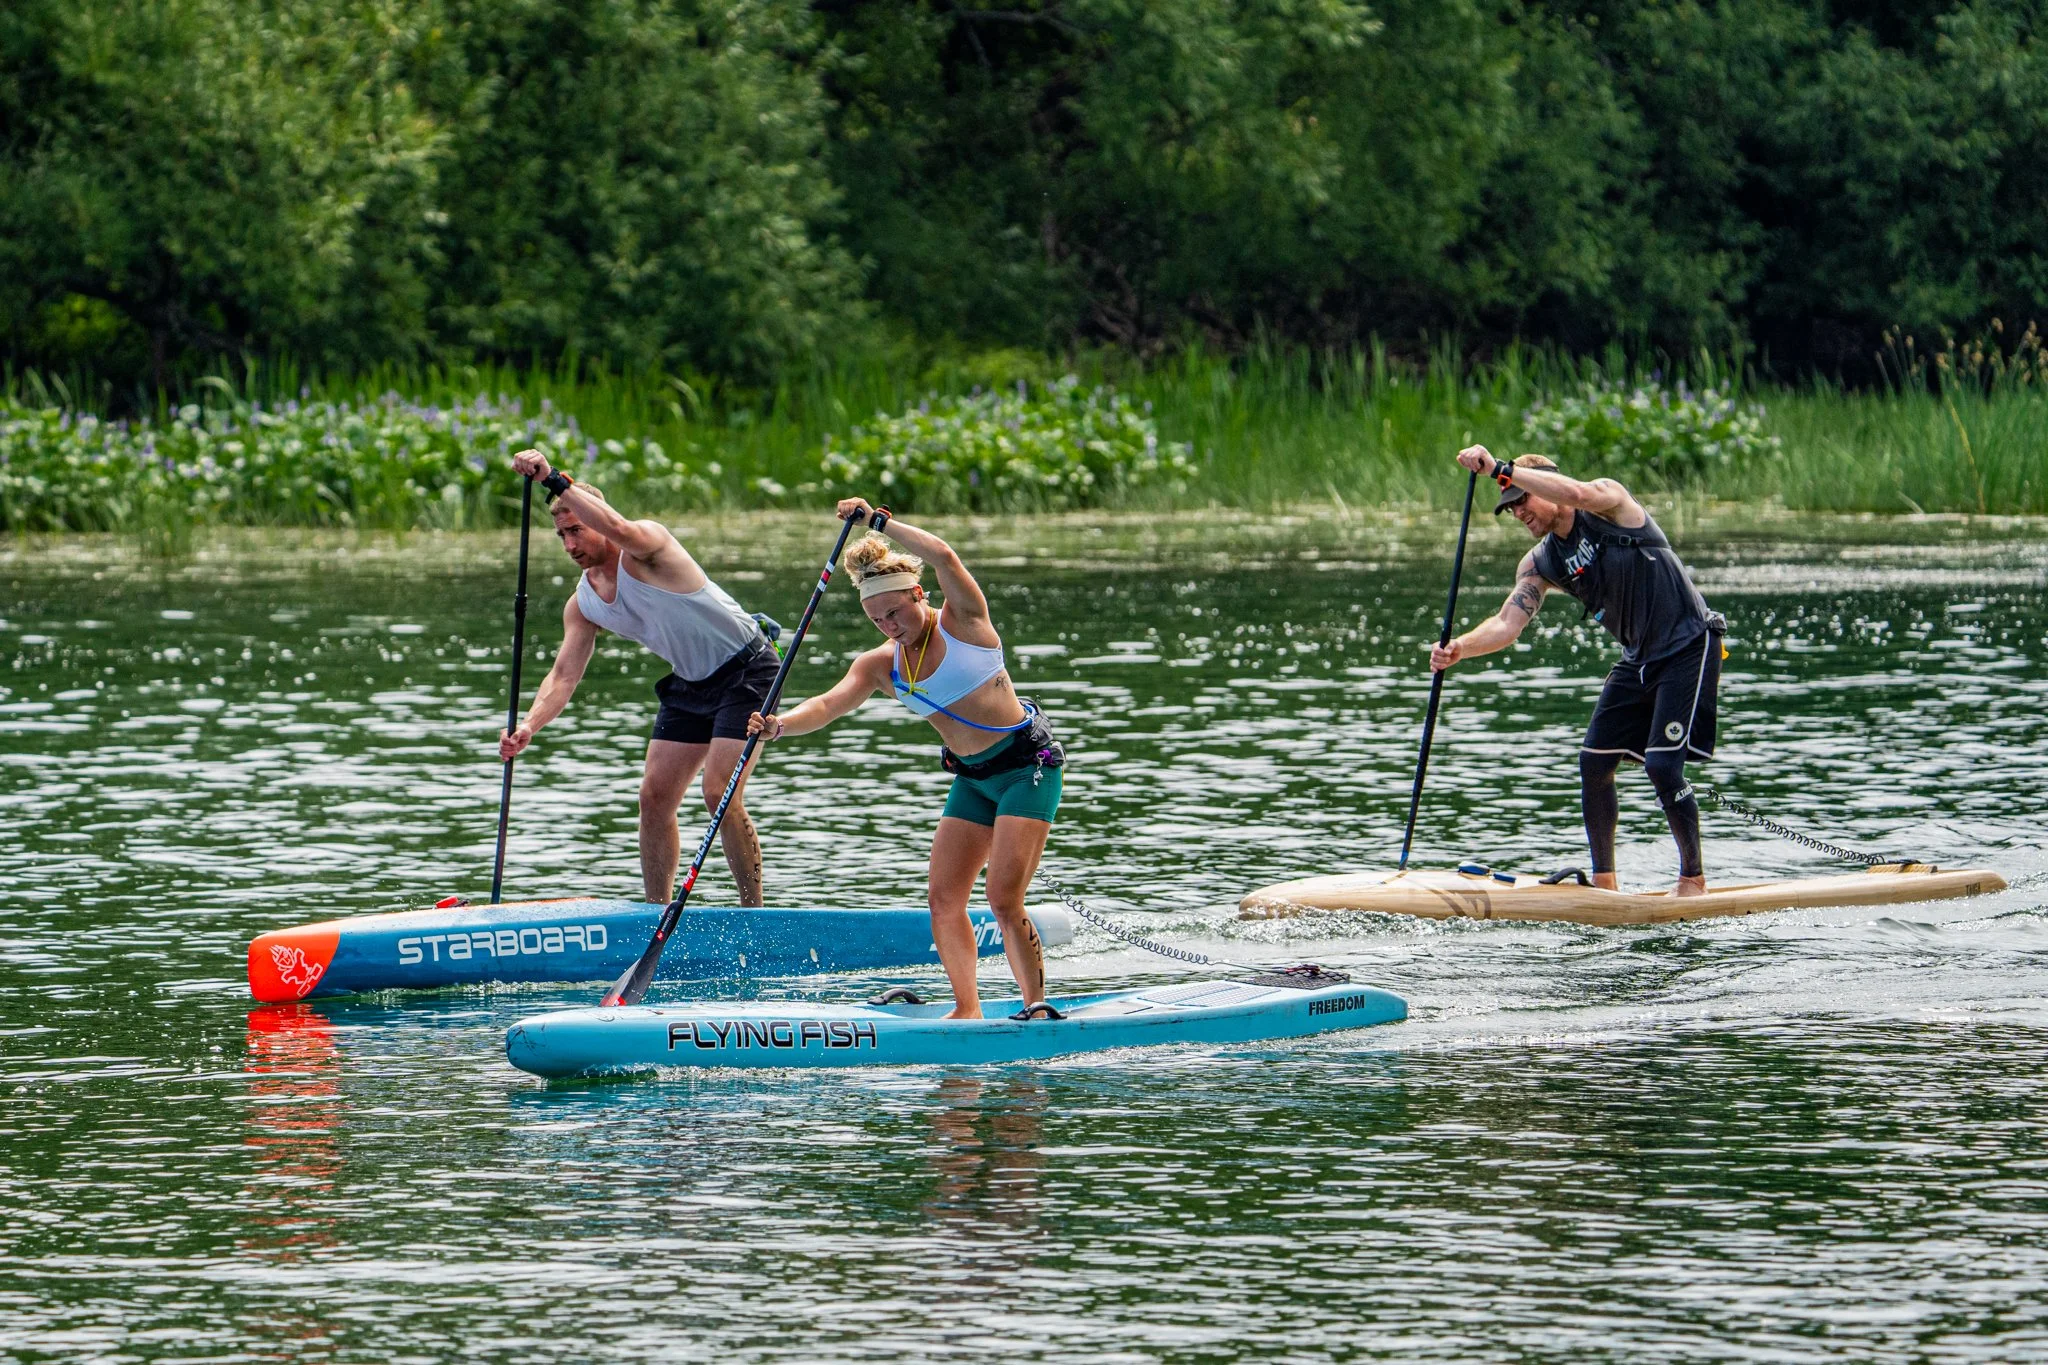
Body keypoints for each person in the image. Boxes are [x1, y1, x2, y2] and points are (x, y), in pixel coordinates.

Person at [748, 499, 1065, 1019]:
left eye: (895, 612)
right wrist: (780, 725)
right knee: (942, 898)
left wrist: (880, 523)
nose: (889, 626)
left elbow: (943, 555)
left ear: (919, 595)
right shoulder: (882, 665)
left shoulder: (965, 623)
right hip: (973, 780)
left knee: (1003, 899)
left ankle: (1036, 1007)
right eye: (877, 620)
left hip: (1026, 768)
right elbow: (829, 703)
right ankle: (968, 1010)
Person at [1428, 448, 1726, 895]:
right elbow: (1508, 623)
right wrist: (1459, 649)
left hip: (1688, 644)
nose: (1518, 513)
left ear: (1545, 487)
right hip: (1638, 659)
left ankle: (1692, 881)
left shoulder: (1609, 502)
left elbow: (1577, 491)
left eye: (1522, 501)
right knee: (1594, 762)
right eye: (1510, 509)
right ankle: (1605, 885)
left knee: (1663, 767)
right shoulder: (1540, 562)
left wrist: (1503, 470)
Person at [499, 448, 779, 905]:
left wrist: (553, 478)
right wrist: (529, 724)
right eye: (561, 535)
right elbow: (564, 675)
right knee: (653, 799)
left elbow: (620, 528)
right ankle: (655, 914)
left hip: (749, 669)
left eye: (576, 530)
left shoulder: (648, 546)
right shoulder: (583, 603)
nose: (569, 545)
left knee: (718, 794)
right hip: (690, 684)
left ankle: (755, 914)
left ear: (598, 518)